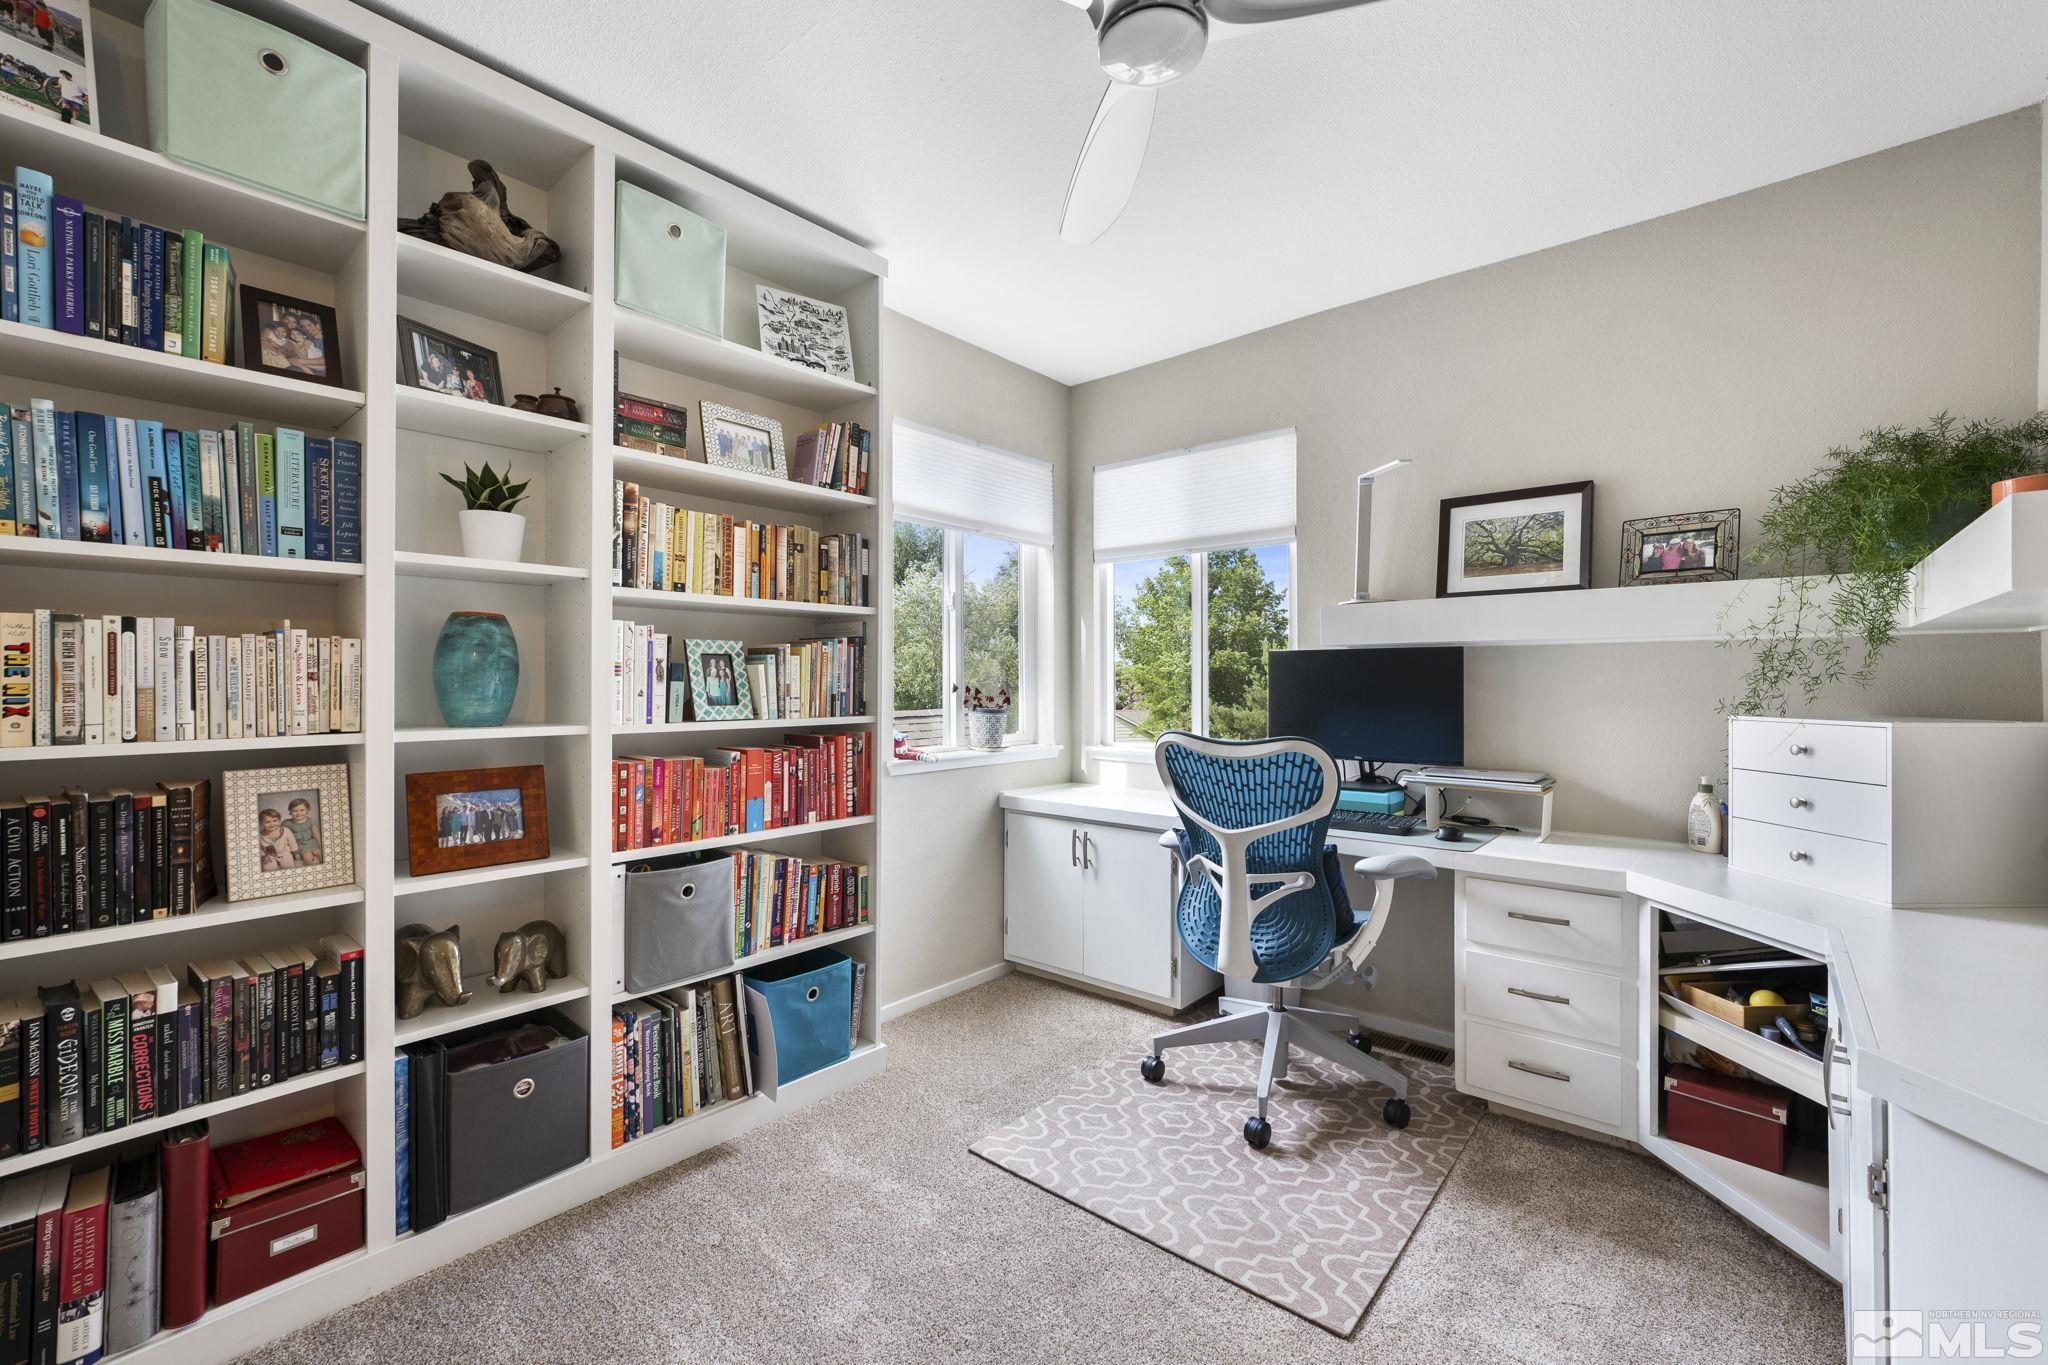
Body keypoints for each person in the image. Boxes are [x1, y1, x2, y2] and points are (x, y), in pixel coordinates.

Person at [283, 797, 323, 865]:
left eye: (302, 810)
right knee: (309, 859)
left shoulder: (310, 821)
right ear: (290, 812)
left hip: (311, 843)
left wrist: (321, 846)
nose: (299, 813)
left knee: (320, 853)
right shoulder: (287, 823)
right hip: (299, 845)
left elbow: (316, 835)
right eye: (295, 811)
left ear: (307, 810)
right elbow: (284, 838)